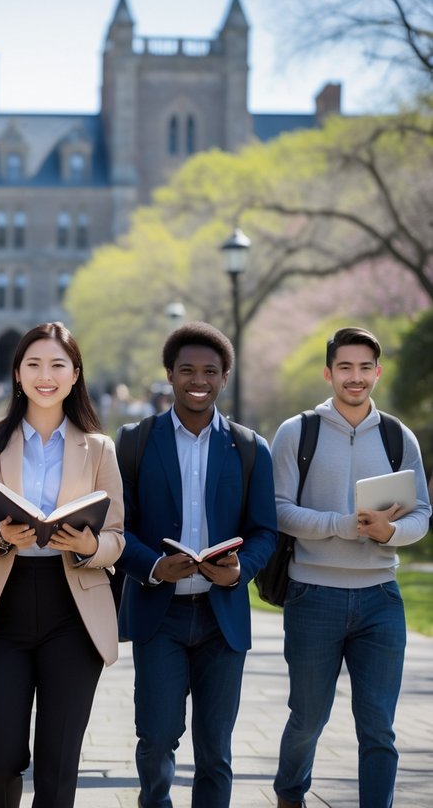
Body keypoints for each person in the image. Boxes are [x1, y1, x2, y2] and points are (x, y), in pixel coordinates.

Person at [0, 322, 125, 808]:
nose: (45, 376)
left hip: (71, 609)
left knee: (59, 761)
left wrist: (91, 546)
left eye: (57, 365)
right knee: (1, 757)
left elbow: (117, 537)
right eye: (34, 365)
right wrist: (0, 538)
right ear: (17, 374)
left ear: (74, 375)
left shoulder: (99, 448)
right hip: (1, 608)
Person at [117, 322, 277, 808]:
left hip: (221, 617)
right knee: (157, 740)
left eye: (210, 371)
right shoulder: (135, 441)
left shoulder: (250, 448)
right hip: (159, 615)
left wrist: (242, 569)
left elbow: (266, 530)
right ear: (170, 374)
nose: (198, 380)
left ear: (224, 377)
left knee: (215, 753)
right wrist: (152, 566)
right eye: (187, 369)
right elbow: (116, 527)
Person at [271, 326, 430, 808]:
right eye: (345, 367)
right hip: (312, 594)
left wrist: (392, 533)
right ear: (329, 372)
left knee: (378, 724)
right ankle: (290, 794)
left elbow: (422, 511)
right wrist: (344, 525)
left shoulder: (398, 436)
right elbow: (278, 510)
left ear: (377, 373)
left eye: (365, 368)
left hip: (381, 597)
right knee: (307, 718)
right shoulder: (298, 432)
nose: (355, 377)